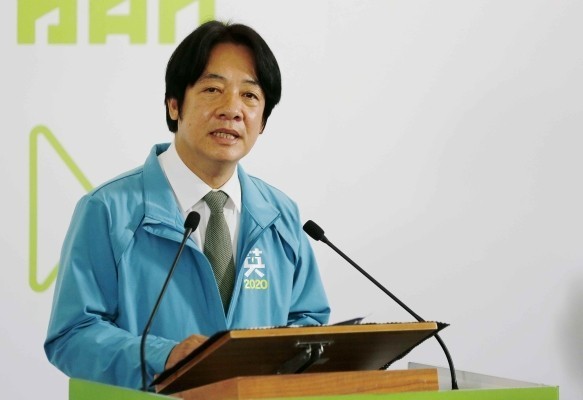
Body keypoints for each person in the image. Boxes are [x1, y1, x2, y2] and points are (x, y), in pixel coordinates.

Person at [44, 20, 330, 390]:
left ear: (262, 121)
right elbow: (72, 336)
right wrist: (164, 357)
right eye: (213, 89)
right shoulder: (109, 210)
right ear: (174, 104)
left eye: (250, 96)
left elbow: (308, 320)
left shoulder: (281, 215)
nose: (232, 109)